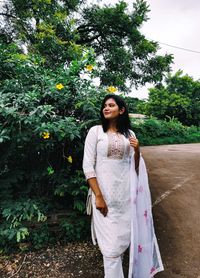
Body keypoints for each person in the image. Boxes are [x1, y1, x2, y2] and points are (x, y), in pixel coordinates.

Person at [82, 94, 164, 278]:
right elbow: (87, 166)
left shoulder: (130, 135)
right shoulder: (95, 132)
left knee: (122, 243)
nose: (106, 108)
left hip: (126, 198)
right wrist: (99, 196)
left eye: (111, 105)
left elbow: (135, 167)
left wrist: (137, 150)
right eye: (104, 105)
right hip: (104, 197)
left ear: (121, 110)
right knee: (110, 249)